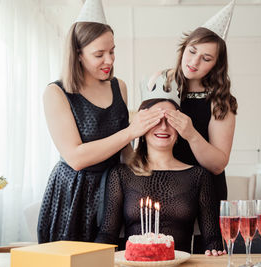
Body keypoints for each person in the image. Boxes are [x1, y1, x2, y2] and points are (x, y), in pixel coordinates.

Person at [37, 0, 164, 243]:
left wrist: (151, 167)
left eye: (112, 51)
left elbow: (125, 152)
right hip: (74, 194)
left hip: (114, 190)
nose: (109, 60)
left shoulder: (119, 87)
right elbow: (76, 158)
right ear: (78, 54)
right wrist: (131, 131)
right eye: (99, 54)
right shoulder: (56, 93)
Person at [151, 1, 238, 252]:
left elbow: (217, 163)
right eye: (192, 51)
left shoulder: (221, 102)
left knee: (205, 254)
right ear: (184, 47)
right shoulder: (161, 83)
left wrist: (190, 134)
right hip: (167, 187)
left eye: (206, 58)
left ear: (216, 65)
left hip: (207, 195)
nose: (194, 61)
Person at [95, 97, 223, 256]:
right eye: (155, 120)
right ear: (141, 128)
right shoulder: (121, 174)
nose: (163, 127)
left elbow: (212, 238)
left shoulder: (199, 176)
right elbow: (107, 234)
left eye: (171, 121)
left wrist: (216, 252)